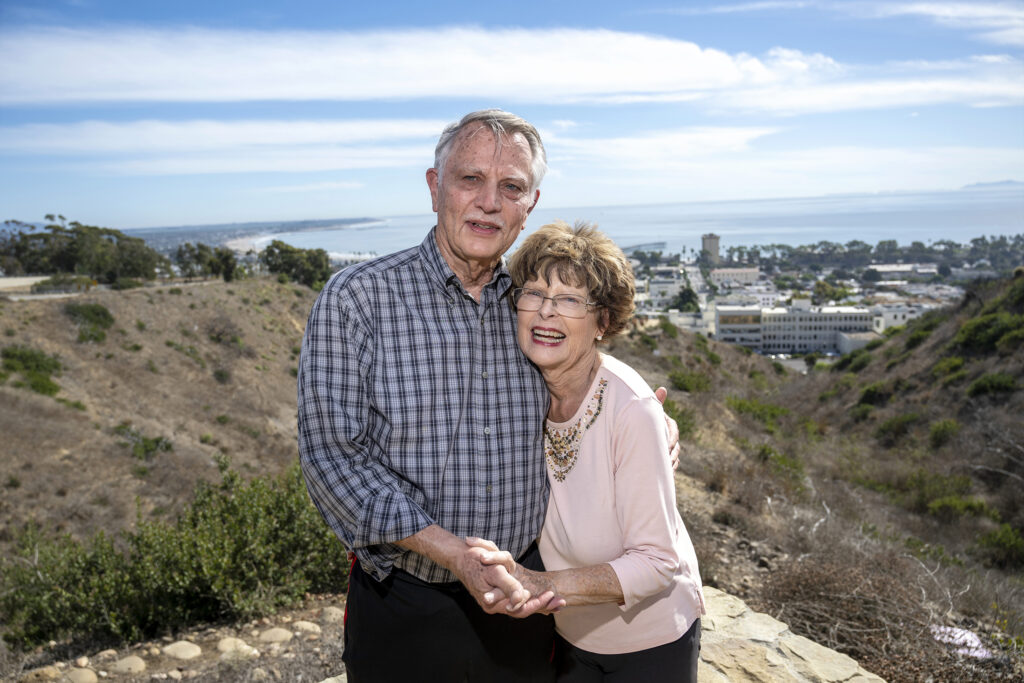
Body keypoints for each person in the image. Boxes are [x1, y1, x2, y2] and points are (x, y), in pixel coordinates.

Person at [297, 110, 678, 682]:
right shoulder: (357, 300)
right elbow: (331, 456)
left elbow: (582, 376)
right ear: (434, 187)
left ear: (530, 205)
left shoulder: (528, 306)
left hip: (523, 606)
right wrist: (450, 551)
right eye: (470, 179)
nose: (488, 202)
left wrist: (649, 422)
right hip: (405, 603)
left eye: (511, 187)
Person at [469, 221, 705, 682]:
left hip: (650, 643)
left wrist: (544, 584)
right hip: (570, 633)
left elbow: (657, 562)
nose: (546, 313)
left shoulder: (630, 410)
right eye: (533, 293)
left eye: (570, 300)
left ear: (603, 322)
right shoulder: (520, 391)